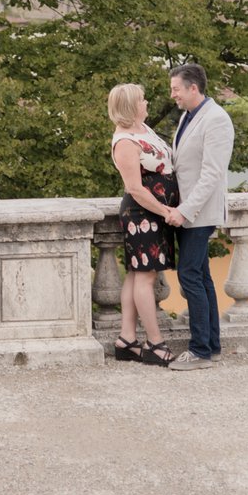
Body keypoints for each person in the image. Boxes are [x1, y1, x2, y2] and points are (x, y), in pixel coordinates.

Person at [106, 82, 180, 366]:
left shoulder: (143, 130)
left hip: (153, 214)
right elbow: (135, 188)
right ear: (130, 106)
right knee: (146, 277)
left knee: (137, 275)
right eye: (142, 100)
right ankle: (154, 343)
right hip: (142, 214)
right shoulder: (124, 141)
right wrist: (164, 211)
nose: (147, 103)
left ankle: (126, 340)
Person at [166, 62, 232, 370]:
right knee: (202, 278)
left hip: (199, 213)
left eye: (176, 89)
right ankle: (212, 346)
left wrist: (184, 211)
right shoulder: (186, 116)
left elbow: (212, 175)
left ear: (194, 88)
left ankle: (200, 350)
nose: (173, 95)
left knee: (189, 276)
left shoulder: (216, 119)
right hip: (188, 210)